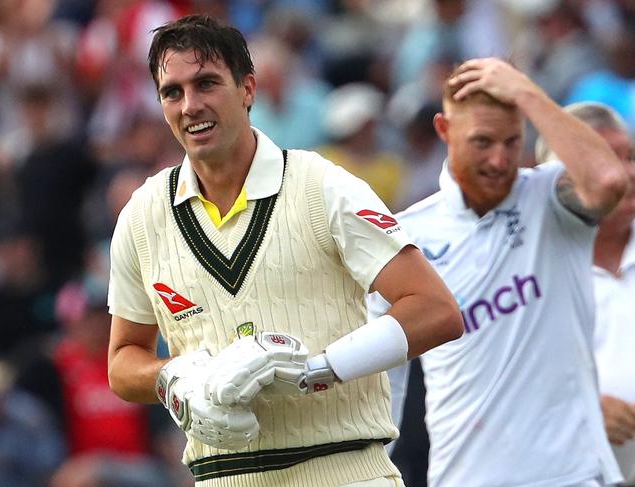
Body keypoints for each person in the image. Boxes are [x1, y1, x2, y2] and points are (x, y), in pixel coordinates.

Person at [106, 14, 463, 487]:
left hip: (345, 471)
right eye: (173, 92)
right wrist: (176, 378)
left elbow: (437, 310)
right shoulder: (142, 216)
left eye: (207, 83)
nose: (190, 105)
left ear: (248, 89)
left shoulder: (322, 186)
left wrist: (319, 370)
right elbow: (123, 360)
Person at [368, 57, 629, 487]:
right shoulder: (406, 234)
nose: (499, 160)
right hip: (465, 477)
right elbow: (384, 382)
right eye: (483, 142)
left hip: (575, 475)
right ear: (444, 130)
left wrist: (527, 92)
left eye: (512, 141)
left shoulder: (550, 197)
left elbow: (608, 181)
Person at [536, 101, 635, 486]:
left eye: (630, 156)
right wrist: (582, 411)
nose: (627, 173)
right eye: (608, 158)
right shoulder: (529, 267)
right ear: (558, 175)